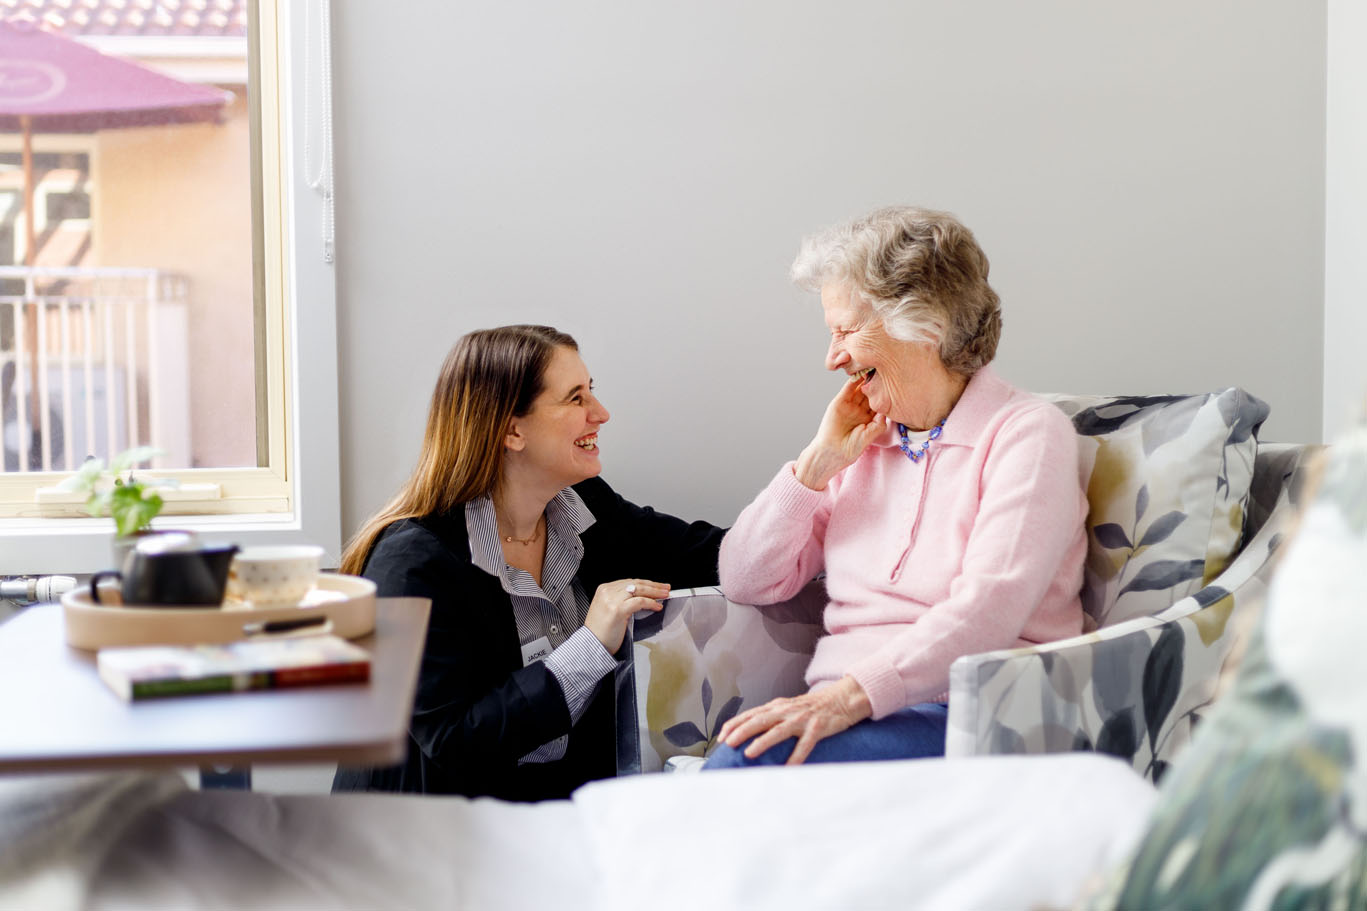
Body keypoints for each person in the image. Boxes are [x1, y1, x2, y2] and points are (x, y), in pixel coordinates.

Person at [706, 206, 1090, 769]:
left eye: (846, 330)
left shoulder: (1026, 434)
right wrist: (815, 468)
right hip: (854, 709)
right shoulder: (864, 443)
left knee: (746, 764)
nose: (832, 356)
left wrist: (845, 699)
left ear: (926, 327)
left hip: (977, 716)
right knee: (742, 765)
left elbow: (988, 611)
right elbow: (744, 580)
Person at [332, 325, 723, 800]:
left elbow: (706, 555)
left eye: (591, 392)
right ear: (512, 429)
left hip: (552, 814)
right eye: (576, 398)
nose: (600, 414)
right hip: (428, 834)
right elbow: (455, 741)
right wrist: (592, 643)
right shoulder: (410, 566)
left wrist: (818, 490)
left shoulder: (584, 506)